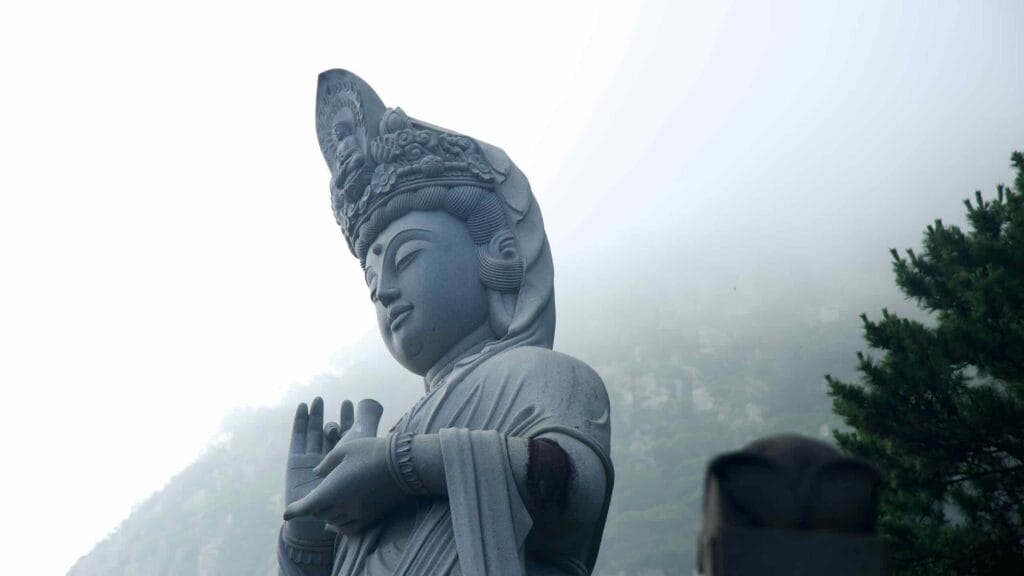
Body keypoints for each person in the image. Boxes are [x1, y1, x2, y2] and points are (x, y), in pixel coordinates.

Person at [278, 69, 613, 576]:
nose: (385, 291)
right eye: (372, 284)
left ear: (494, 254)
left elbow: (575, 491)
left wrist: (402, 466)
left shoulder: (543, 376)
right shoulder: (391, 437)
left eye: (407, 259)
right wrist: (307, 538)